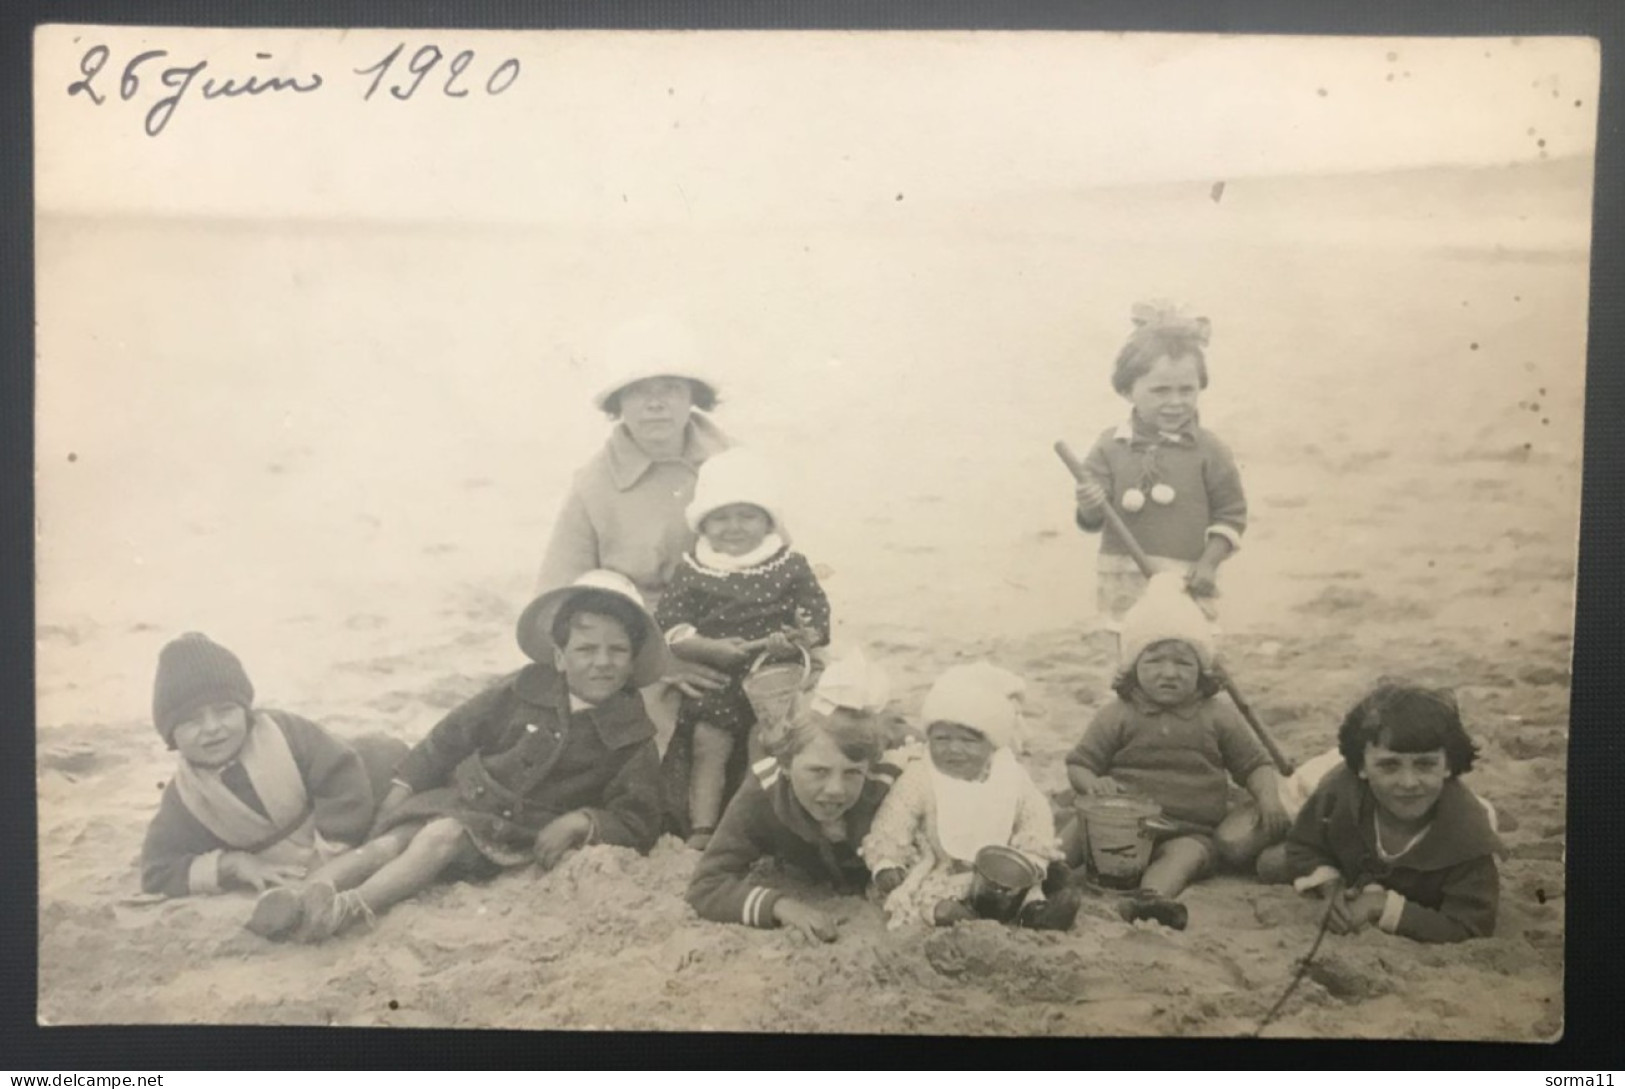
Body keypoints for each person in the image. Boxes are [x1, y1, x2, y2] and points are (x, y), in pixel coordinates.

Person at [245, 571, 668, 943]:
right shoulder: (524, 688)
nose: (602, 663)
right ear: (559, 656)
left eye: (617, 651)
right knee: (385, 844)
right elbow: (454, 733)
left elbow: (639, 816)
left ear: (633, 663)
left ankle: (347, 909)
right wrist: (405, 783)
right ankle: (300, 899)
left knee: (438, 838)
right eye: (586, 649)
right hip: (462, 799)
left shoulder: (631, 735)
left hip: (513, 832)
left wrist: (583, 821)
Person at [533, 310, 736, 732]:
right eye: (639, 391)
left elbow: (780, 558)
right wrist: (658, 663)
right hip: (638, 652)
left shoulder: (734, 462)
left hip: (733, 634)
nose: (656, 403)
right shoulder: (592, 485)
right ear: (618, 404)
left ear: (693, 396)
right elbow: (555, 602)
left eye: (670, 388)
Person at [1062, 574, 1288, 929]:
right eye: (1154, 661)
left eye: (1183, 662)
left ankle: (1151, 899)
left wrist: (1269, 800)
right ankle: (1047, 873)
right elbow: (1080, 764)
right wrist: (1093, 784)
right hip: (1120, 822)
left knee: (1182, 857)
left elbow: (1254, 764)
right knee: (1077, 829)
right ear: (1133, 666)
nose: (1169, 673)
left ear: (1202, 669)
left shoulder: (1218, 716)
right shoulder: (1117, 714)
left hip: (1189, 828)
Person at [139, 633, 405, 898]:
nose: (212, 728)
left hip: (368, 792)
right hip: (295, 861)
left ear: (246, 710)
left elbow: (342, 778)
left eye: (224, 710)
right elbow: (157, 871)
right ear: (170, 734)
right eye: (192, 720)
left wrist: (332, 853)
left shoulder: (287, 733)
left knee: (398, 780)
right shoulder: (185, 797)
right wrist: (233, 865)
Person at [655, 448, 832, 849]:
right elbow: (671, 622)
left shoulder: (787, 564)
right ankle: (702, 827)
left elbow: (816, 616)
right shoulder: (695, 569)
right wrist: (704, 645)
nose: (734, 527)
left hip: (773, 676)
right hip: (718, 673)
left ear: (768, 520)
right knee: (708, 743)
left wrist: (797, 635)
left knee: (763, 744)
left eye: (747, 516)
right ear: (704, 524)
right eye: (721, 517)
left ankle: (753, 822)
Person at [685, 654, 894, 943]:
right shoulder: (763, 792)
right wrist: (781, 906)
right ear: (785, 763)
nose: (836, 788)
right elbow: (705, 886)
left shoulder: (886, 786)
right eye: (818, 771)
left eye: (852, 773)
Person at [1276, 682, 1502, 943]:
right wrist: (1330, 885)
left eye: (1425, 764)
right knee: (1269, 858)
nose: (1408, 782)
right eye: (1389, 765)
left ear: (1448, 764)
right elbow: (1304, 844)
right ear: (1360, 767)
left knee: (1272, 862)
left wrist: (1383, 905)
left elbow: (1471, 926)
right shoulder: (1339, 791)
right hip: (1315, 784)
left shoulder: (1469, 835)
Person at [1071, 301, 1247, 635]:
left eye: (1187, 390)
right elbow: (1093, 521)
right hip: (1124, 581)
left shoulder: (1211, 450)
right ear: (1127, 390)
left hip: (1188, 581)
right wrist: (1089, 502)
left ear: (1200, 388)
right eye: (1160, 390)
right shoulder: (1110, 446)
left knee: (1189, 657)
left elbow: (1231, 516)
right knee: (1134, 660)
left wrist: (1209, 563)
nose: (1176, 402)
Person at [862, 664, 1082, 931]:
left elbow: (1035, 816)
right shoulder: (921, 775)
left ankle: (1035, 914)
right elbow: (894, 818)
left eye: (968, 741)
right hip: (941, 867)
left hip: (1002, 874)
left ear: (992, 743)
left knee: (1029, 889)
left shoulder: (1008, 775)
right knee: (925, 897)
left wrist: (1033, 857)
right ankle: (954, 916)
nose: (954, 748)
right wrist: (887, 862)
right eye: (942, 738)